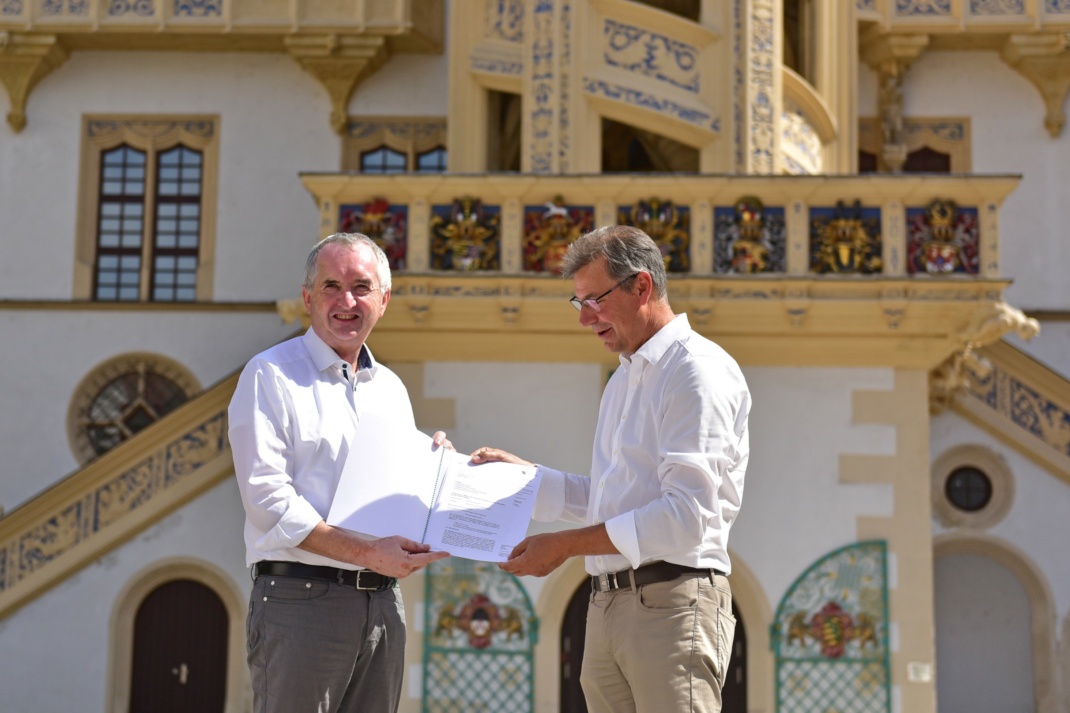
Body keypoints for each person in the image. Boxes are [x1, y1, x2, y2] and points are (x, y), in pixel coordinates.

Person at [471, 224, 751, 713]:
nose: (586, 320)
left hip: (672, 602)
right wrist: (527, 481)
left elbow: (685, 516)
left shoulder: (695, 371)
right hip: (608, 604)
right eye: (579, 304)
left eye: (594, 300)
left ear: (641, 286)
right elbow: (613, 500)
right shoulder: (625, 377)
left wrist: (563, 547)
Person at [229, 232, 450, 713]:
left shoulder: (390, 389)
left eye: (361, 287)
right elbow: (269, 502)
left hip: (383, 605)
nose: (346, 301)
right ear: (308, 297)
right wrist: (367, 551)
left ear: (384, 300)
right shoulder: (269, 375)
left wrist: (436, 470)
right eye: (331, 286)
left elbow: (393, 494)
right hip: (300, 601)